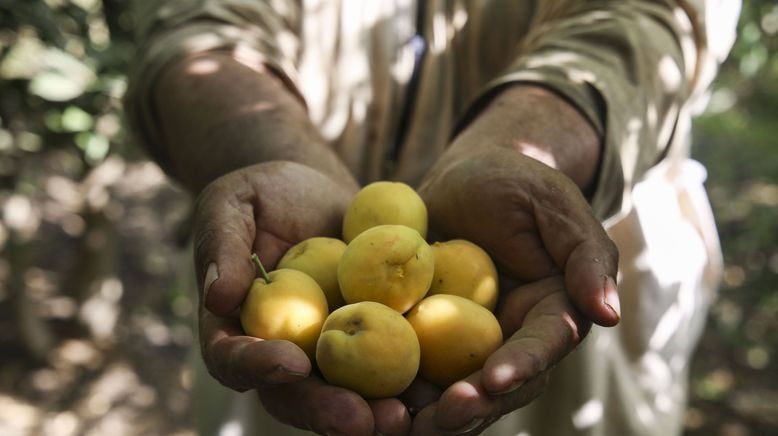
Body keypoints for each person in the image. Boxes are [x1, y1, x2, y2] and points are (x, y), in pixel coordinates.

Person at [124, 1, 739, 434]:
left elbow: (652, 17)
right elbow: (192, 25)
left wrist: (528, 146)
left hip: (551, 254)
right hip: (282, 261)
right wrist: (269, 154)